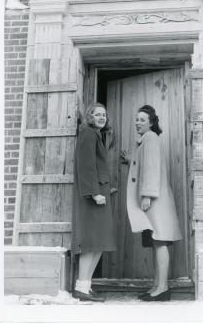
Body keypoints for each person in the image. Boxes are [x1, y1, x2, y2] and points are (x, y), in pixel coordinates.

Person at [122, 105, 182, 302]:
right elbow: (144, 163)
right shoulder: (146, 140)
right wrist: (130, 160)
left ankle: (162, 288)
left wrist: (147, 195)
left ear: (151, 122)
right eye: (136, 119)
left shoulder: (150, 138)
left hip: (154, 198)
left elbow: (152, 167)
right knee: (157, 241)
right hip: (155, 198)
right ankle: (157, 286)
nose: (138, 123)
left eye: (142, 119)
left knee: (160, 240)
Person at [71, 103, 116, 302]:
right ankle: (81, 286)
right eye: (97, 114)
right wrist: (94, 193)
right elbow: (86, 166)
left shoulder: (96, 135)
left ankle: (85, 286)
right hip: (93, 198)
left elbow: (97, 167)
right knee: (91, 242)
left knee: (100, 242)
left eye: (104, 115)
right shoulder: (88, 133)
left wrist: (106, 188)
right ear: (90, 116)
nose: (101, 117)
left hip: (100, 194)